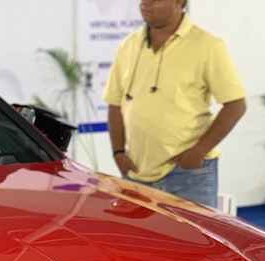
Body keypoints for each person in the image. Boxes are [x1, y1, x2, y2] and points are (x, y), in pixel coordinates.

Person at [103, 0, 246, 207]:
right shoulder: (129, 45)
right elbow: (115, 103)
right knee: (140, 240)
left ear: (179, 2)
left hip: (187, 174)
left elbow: (236, 105)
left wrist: (197, 152)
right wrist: (118, 153)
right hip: (136, 173)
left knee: (191, 240)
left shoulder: (208, 46)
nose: (145, 4)